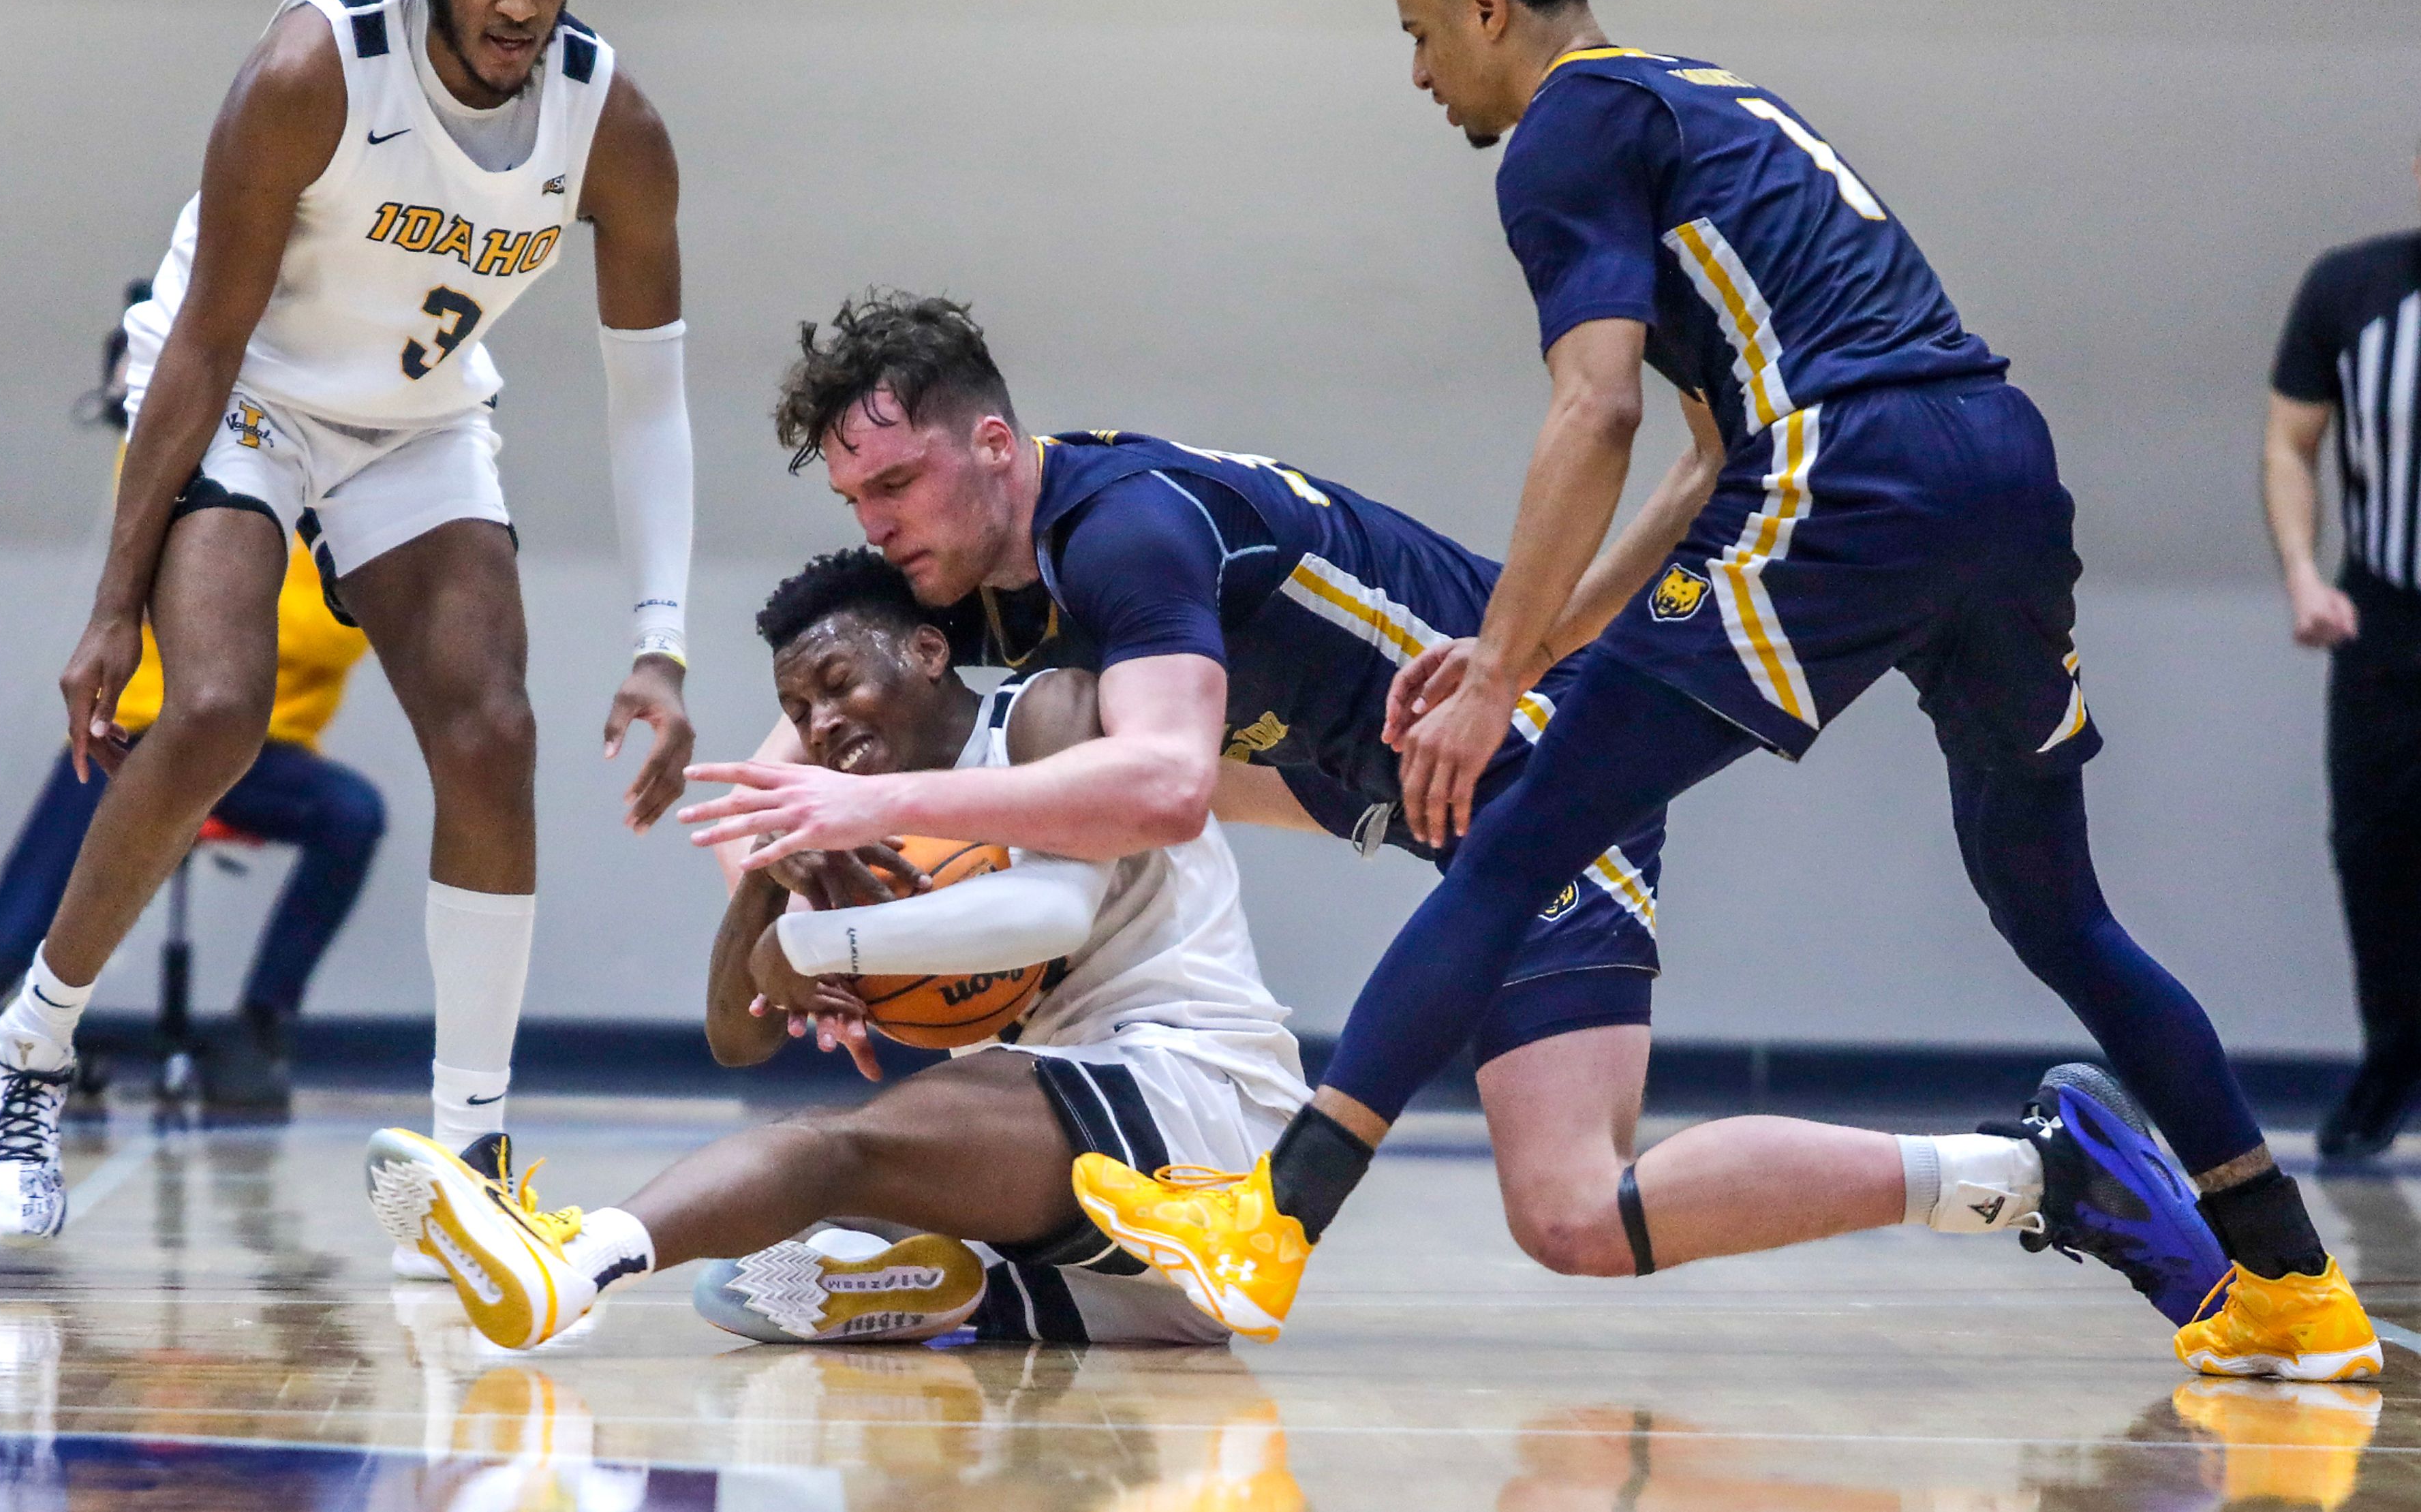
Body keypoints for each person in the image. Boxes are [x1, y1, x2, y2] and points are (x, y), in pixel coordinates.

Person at [1047, 0, 2375, 1380]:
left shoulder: (1563, 129)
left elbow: (1594, 410)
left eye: (1418, 32)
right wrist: (1523, 648)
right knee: (2054, 904)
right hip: (1999, 462)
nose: (1416, 72)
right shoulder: (1709, 101)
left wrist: (1490, 692)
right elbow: (1698, 458)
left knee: (1513, 829)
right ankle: (2288, 1280)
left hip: (1855, 466)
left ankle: (1269, 1223)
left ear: (1488, 8)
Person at [677, 299, 2234, 1342]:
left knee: (1567, 1204)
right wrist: (774, 832)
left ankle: (2031, 1169)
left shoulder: (1125, 530)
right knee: (1571, 1197)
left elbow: (1156, 787)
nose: (874, 526)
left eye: (890, 484)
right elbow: (863, 686)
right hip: (1451, 812)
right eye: (851, 500)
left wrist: (869, 808)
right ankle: (2044, 1167)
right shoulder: (997, 566)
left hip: (1556, 783)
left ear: (992, 447)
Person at [0, 0, 699, 1252]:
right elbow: (206, 340)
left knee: (494, 729)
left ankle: (470, 1151)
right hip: (247, 392)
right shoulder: (314, 65)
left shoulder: (614, 120)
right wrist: (111, 604)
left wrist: (663, 641)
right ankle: (30, 1048)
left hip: (415, 417)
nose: (519, 2)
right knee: (219, 704)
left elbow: (649, 398)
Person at [363, 549, 1309, 1349]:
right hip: (1141, 1278)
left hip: (1205, 1116)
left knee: (830, 1150)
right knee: (763, 1248)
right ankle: (962, 1289)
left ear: (930, 651)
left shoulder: (1049, 711)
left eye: (838, 684)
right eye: (798, 707)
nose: (821, 725)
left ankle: (569, 1263)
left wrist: (820, 940)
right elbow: (738, 1039)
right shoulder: (846, 828)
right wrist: (779, 876)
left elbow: (1056, 911)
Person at [0, 301, 382, 1112]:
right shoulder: (193, 464)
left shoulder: (347, 503)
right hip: (133, 738)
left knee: (353, 813)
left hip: (256, 756)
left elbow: (325, 639)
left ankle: (257, 1026)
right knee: (7, 936)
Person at [2265, 172, 2421, 1162]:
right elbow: (2291, 440)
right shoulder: (2353, 288)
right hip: (2388, 613)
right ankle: (2392, 1061)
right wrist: (2302, 577)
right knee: (2375, 851)